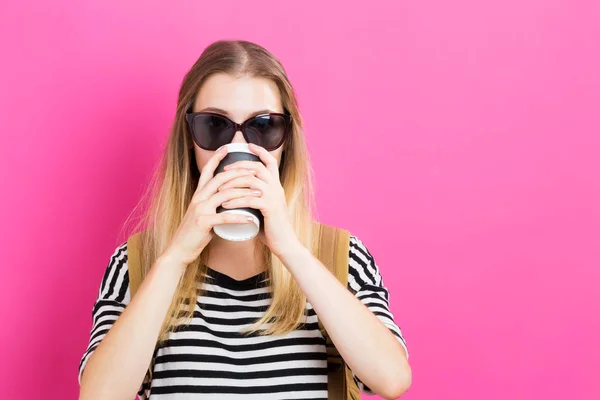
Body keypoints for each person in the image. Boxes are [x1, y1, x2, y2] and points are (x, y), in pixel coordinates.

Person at [78, 39, 411, 400]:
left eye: (263, 126)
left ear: (286, 143)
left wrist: (291, 250)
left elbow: (391, 379)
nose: (237, 146)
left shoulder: (342, 257)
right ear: (189, 140)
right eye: (215, 126)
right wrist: (175, 257)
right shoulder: (138, 264)